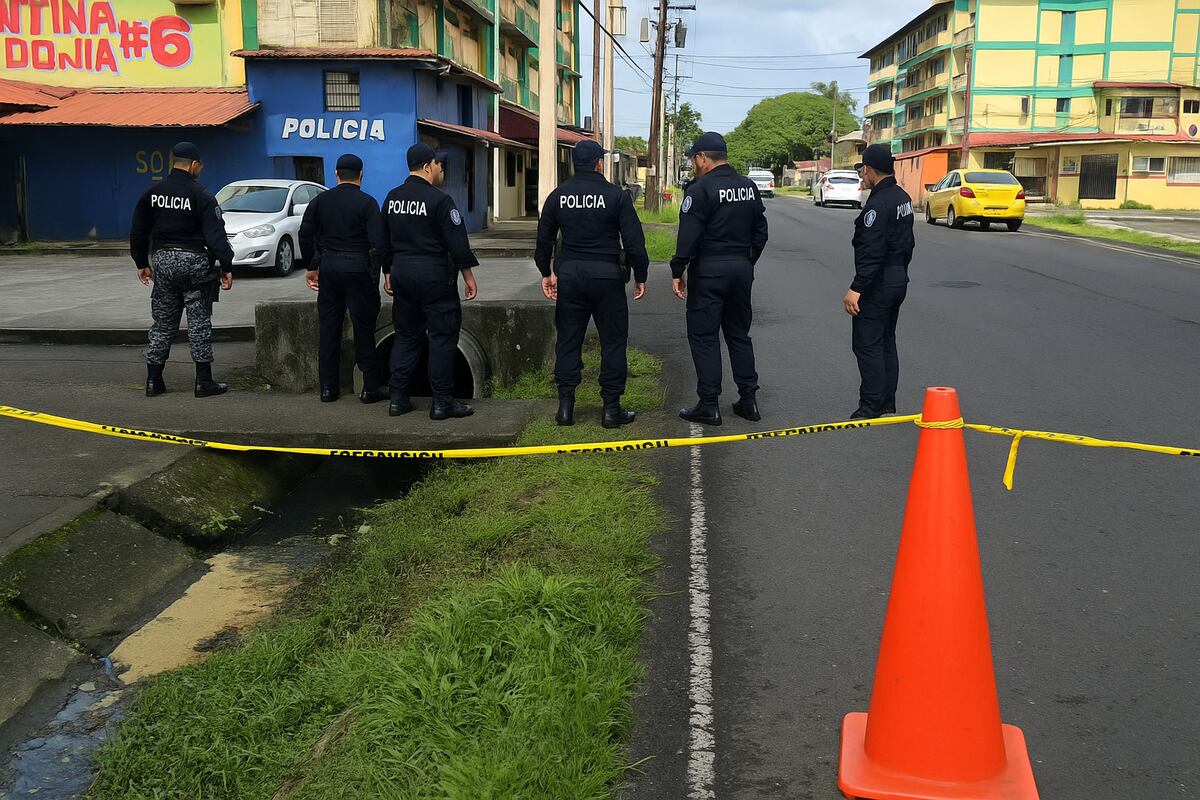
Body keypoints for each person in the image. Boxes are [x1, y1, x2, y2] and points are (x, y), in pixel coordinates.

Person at [534, 140, 649, 428]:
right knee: (612, 342)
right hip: (607, 277)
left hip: (570, 276)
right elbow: (634, 241)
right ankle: (611, 409)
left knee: (568, 340)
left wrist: (545, 272)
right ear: (599, 163)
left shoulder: (558, 196)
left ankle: (565, 408)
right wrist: (641, 275)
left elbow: (543, 239)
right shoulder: (616, 196)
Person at [671, 131, 769, 426]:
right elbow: (760, 232)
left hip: (709, 271)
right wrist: (746, 262)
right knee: (739, 334)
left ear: (703, 158)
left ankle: (709, 404)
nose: (693, 164)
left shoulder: (700, 191)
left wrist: (678, 271)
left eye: (693, 158)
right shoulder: (749, 187)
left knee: (704, 336)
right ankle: (748, 400)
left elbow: (687, 237)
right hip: (740, 269)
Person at [381, 144, 479, 420]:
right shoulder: (440, 201)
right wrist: (468, 277)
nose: (441, 169)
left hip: (402, 274)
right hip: (434, 276)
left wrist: (388, 271)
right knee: (442, 338)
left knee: (406, 336)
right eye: (438, 165)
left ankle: (398, 399)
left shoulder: (392, 198)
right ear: (427, 167)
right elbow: (457, 243)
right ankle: (442, 403)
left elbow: (383, 240)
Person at [130, 141, 234, 399]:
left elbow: (139, 231)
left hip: (163, 262)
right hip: (194, 263)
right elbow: (215, 236)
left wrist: (141, 262)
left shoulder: (152, 193)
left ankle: (154, 380)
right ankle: (203, 381)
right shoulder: (201, 195)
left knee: (163, 323)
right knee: (198, 323)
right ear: (194, 165)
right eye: (201, 166)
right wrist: (226, 265)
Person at [299, 153, 389, 404]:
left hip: (329, 268)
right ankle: (369, 387)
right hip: (358, 268)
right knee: (364, 328)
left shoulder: (321, 201)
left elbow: (305, 233)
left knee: (329, 329)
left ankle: (328, 389)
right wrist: (376, 275)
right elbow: (378, 244)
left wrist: (312, 266)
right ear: (361, 175)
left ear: (336, 175)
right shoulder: (368, 203)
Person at [843, 143, 914, 420]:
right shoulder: (902, 198)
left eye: (862, 171)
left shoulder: (879, 204)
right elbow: (908, 244)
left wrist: (856, 288)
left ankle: (870, 405)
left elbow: (872, 252)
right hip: (898, 278)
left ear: (870, 169)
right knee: (886, 340)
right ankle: (886, 401)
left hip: (879, 282)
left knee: (867, 343)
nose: (862, 176)